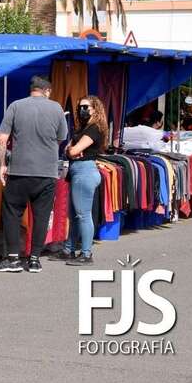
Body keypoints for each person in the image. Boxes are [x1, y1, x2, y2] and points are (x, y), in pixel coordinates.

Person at [0, 76, 68, 274]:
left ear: (32, 89)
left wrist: (2, 164)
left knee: (12, 213)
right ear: (47, 91)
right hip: (46, 172)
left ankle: (13, 259)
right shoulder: (57, 108)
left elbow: (1, 139)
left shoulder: (16, 106)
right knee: (41, 216)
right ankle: (34, 260)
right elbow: (61, 138)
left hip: (19, 171)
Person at [51, 96, 108, 266]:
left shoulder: (94, 129)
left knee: (83, 215)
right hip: (79, 172)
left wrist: (71, 150)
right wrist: (71, 150)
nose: (82, 110)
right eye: (80, 107)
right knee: (75, 215)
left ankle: (86, 253)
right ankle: (69, 250)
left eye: (86, 107)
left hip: (84, 172)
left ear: (95, 109)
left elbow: (73, 150)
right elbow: (68, 149)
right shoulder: (83, 128)